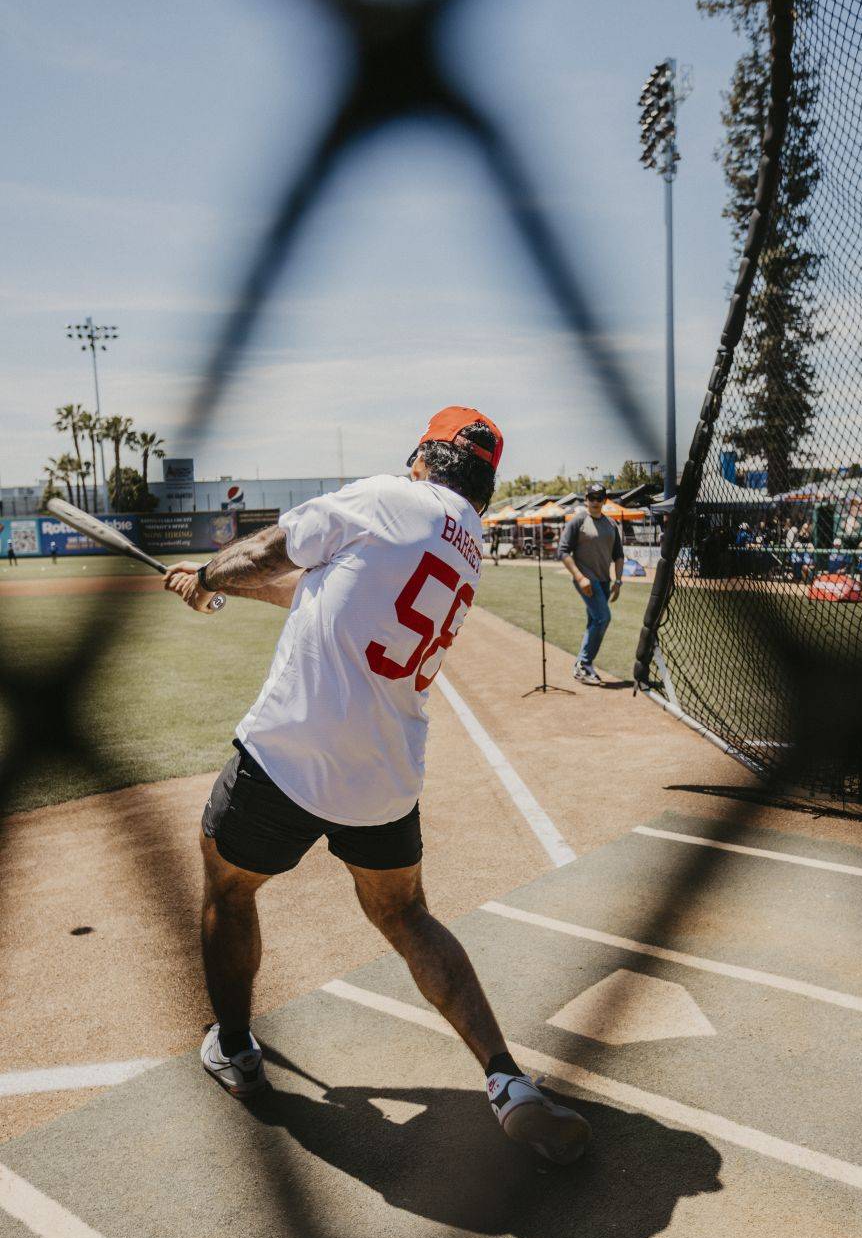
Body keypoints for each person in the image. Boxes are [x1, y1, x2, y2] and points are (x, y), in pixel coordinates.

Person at [163, 407, 590, 1167]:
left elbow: (268, 549)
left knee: (228, 887)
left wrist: (205, 575)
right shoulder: (467, 545)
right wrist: (219, 588)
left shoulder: (390, 496)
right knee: (407, 916)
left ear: (421, 457)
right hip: (386, 774)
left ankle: (234, 1047)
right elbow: (318, 589)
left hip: (291, 754)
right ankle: (507, 1083)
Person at [556, 482, 623, 685]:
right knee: (603, 618)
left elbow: (619, 556)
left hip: (604, 580)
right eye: (591, 498)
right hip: (586, 579)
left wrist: (618, 581)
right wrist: (579, 577)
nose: (595, 502)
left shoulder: (611, 524)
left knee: (594, 621)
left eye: (599, 498)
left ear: (604, 500)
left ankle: (581, 665)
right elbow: (563, 551)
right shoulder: (578, 521)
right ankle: (584, 664)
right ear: (586, 499)